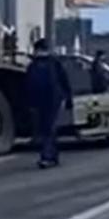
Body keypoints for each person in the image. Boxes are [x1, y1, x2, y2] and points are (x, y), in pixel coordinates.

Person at [25, 39, 72, 169]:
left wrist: (68, 98)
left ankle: (47, 157)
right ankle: (53, 156)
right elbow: (64, 80)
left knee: (47, 129)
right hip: (51, 100)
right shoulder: (51, 63)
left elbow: (29, 86)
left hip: (48, 101)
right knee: (49, 129)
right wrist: (67, 98)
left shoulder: (36, 65)